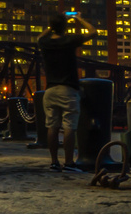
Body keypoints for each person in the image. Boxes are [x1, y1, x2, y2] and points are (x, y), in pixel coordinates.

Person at [37, 10, 94, 172]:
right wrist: (78, 18)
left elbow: (39, 37)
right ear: (65, 26)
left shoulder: (45, 42)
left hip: (50, 91)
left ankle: (54, 162)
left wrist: (52, 26)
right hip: (68, 89)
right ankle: (69, 163)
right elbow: (93, 32)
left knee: (52, 126)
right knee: (70, 126)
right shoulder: (70, 40)